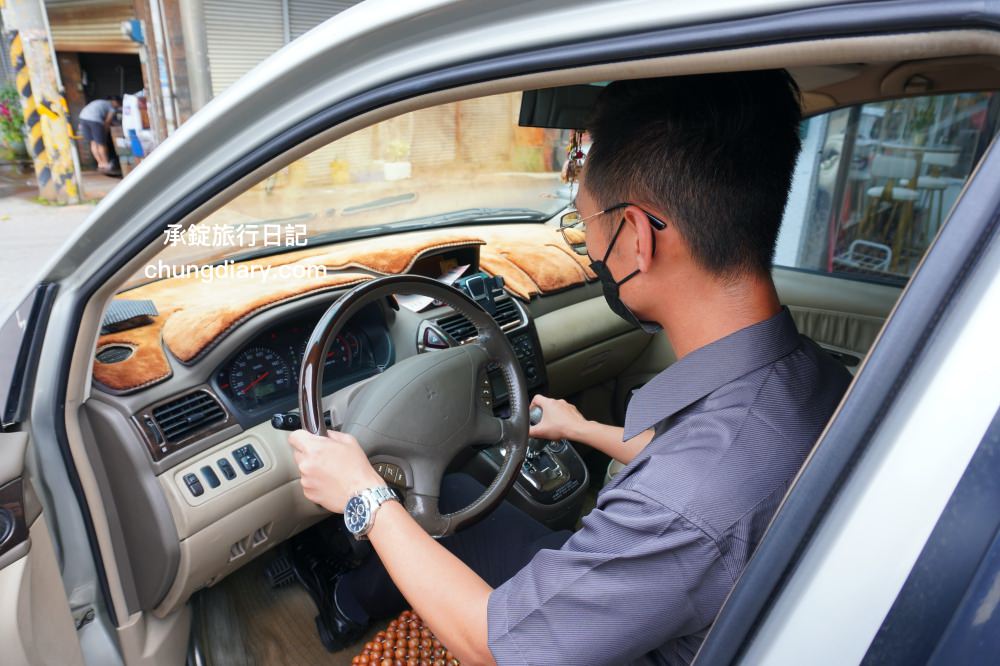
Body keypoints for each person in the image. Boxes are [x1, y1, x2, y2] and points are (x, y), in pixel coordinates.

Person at [288, 69, 852, 665]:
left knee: (420, 513)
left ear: (637, 236)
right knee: (455, 491)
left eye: (583, 226)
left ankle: (342, 602)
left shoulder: (679, 502)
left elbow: (489, 647)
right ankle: (352, 598)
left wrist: (364, 495)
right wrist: (582, 428)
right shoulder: (810, 375)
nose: (587, 245)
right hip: (677, 610)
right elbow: (698, 461)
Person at [78, 96, 121, 172]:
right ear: (114, 101)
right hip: (94, 120)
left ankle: (100, 163)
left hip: (83, 118)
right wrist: (105, 133)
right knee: (101, 143)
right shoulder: (111, 107)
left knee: (93, 142)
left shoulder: (100, 101)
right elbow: (107, 122)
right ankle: (106, 163)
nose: (118, 106)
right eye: (118, 104)